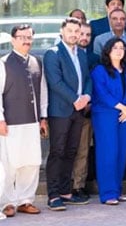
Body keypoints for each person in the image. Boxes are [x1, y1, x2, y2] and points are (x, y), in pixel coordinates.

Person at [44, 17, 92, 210]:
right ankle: (53, 195)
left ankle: (65, 191)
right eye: (70, 30)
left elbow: (87, 78)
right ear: (62, 31)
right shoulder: (53, 53)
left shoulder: (81, 53)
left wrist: (87, 96)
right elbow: (55, 82)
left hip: (78, 111)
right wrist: (75, 99)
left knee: (71, 151)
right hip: (61, 111)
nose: (74, 34)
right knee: (57, 152)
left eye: (77, 31)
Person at [0, 24, 47, 217]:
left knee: (31, 162)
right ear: (13, 40)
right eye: (22, 37)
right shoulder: (3, 63)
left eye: (29, 37)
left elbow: (43, 92)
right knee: (9, 163)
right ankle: (7, 202)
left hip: (32, 121)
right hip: (10, 122)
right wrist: (0, 118)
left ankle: (25, 200)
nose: (26, 41)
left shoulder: (37, 61)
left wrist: (43, 117)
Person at [90, 37, 126, 205]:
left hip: (124, 115)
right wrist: (122, 107)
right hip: (105, 115)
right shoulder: (99, 70)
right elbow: (101, 93)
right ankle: (108, 193)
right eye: (115, 47)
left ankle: (117, 190)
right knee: (108, 152)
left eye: (122, 48)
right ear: (108, 51)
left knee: (121, 152)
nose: (119, 50)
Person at [70, 21, 100, 201]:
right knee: (66, 150)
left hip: (88, 110)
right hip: (67, 110)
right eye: (82, 34)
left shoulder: (95, 58)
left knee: (83, 150)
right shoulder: (63, 55)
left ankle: (78, 186)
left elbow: (95, 82)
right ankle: (64, 184)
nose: (84, 38)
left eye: (88, 35)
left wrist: (88, 100)